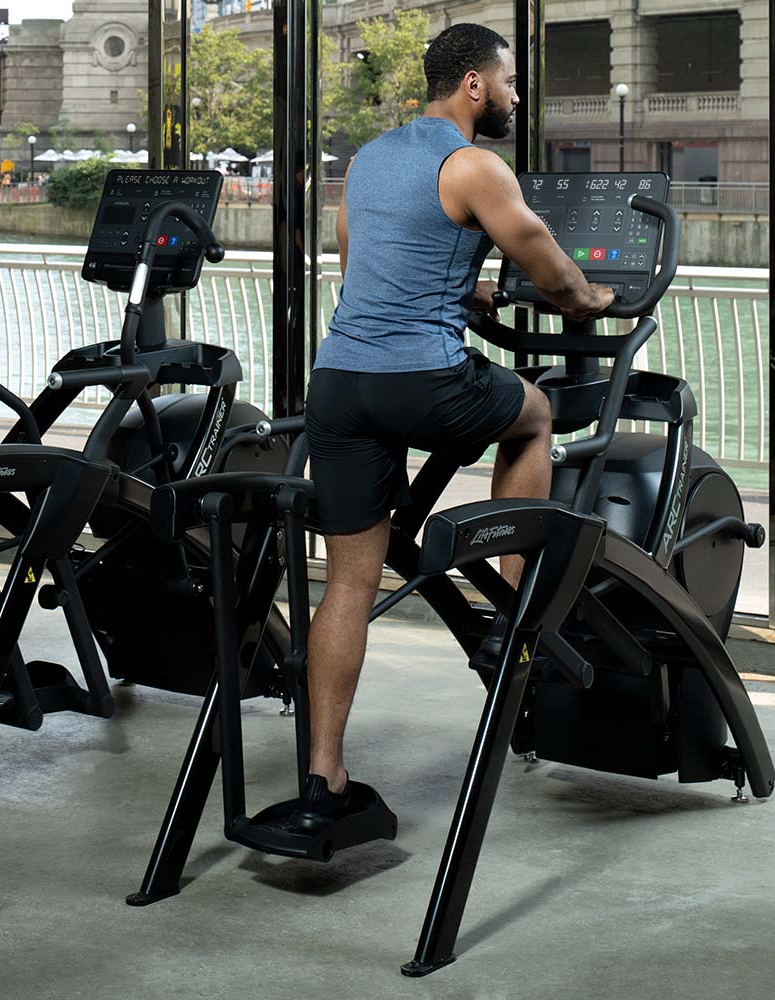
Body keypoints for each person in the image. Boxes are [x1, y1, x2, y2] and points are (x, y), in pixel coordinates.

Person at [293, 23, 614, 827]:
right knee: (534, 418)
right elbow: (540, 250)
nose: (511, 96)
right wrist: (585, 301)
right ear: (474, 85)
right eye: (506, 83)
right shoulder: (474, 164)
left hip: (337, 384)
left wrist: (463, 291)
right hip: (421, 384)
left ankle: (323, 777)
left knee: (350, 583)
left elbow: (357, 255)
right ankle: (515, 619)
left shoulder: (368, 160)